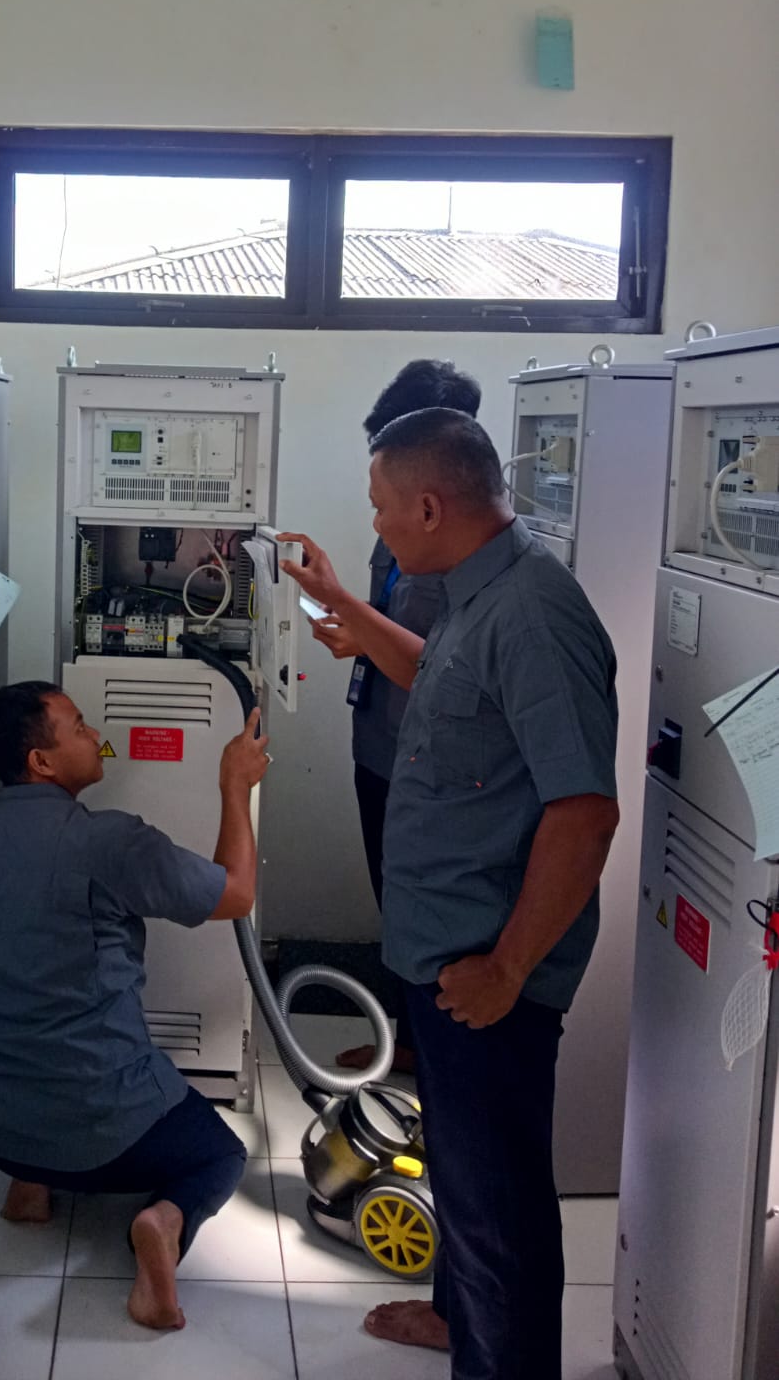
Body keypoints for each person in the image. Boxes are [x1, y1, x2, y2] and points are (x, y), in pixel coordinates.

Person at [279, 408, 619, 1380]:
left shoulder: (535, 613)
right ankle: (461, 1324)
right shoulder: (478, 591)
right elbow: (442, 677)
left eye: (382, 508)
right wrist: (344, 602)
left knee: (498, 1207)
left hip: (487, 974)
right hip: (442, 957)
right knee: (472, 1190)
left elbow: (584, 812)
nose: (376, 524)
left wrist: (509, 965)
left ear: (428, 505)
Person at [0, 681, 270, 1331]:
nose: (93, 732)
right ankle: (163, 1225)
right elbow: (237, 893)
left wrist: (17, 999)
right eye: (77, 725)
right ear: (41, 763)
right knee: (220, 1153)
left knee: (41, 1092)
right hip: (104, 1128)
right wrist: (234, 785)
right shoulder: (109, 841)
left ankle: (30, 1188)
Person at [308, 360, 481, 1073]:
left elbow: (436, 663)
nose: (381, 511)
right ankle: (412, 1042)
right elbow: (395, 621)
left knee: (425, 908)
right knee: (395, 898)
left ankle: (433, 1050)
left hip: (427, 758)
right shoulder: (402, 526)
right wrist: (357, 624)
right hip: (379, 741)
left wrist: (354, 621)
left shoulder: (475, 555)